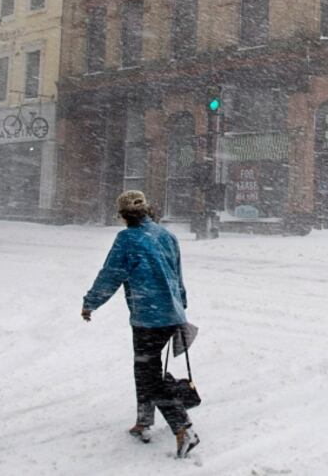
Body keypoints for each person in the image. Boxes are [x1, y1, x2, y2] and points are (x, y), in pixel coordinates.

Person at [82, 190, 200, 459]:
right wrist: (180, 305)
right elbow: (177, 274)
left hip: (148, 317)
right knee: (146, 370)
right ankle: (143, 423)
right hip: (171, 313)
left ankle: (183, 429)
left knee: (147, 374)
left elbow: (111, 275)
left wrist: (90, 303)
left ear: (124, 215)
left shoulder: (127, 239)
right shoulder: (166, 236)